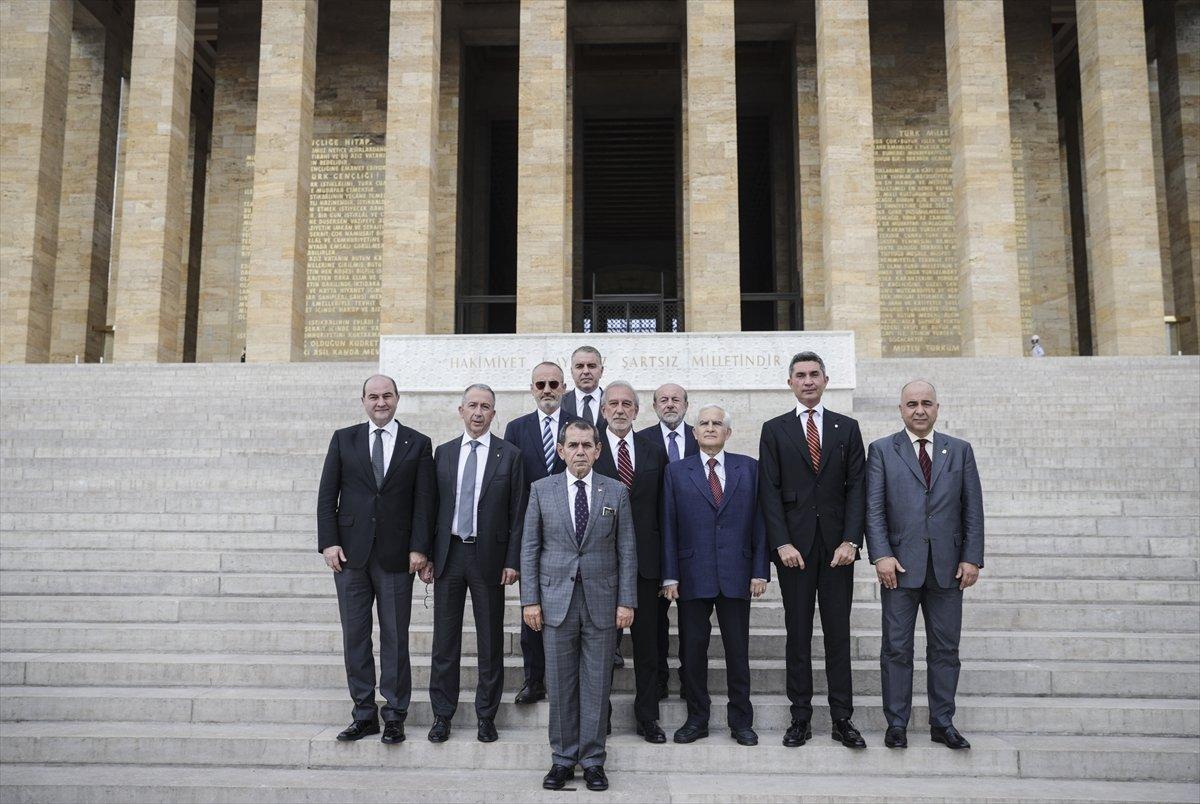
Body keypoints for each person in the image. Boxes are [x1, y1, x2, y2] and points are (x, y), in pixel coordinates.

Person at [865, 380, 984, 751]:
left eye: (926, 403)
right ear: (901, 409)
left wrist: (971, 557)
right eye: (912, 403)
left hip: (948, 568)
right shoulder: (883, 450)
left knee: (946, 649)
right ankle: (896, 724)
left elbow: (972, 509)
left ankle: (942, 722)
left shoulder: (959, 450)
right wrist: (881, 554)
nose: (919, 410)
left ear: (937, 407)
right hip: (899, 567)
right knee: (896, 648)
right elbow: (874, 509)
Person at [317, 374, 435, 745]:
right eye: (373, 396)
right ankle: (364, 713)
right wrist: (328, 543)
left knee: (396, 637)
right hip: (350, 555)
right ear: (363, 400)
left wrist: (420, 547)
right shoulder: (343, 439)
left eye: (387, 395)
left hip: (397, 555)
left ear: (397, 398)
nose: (380, 402)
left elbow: (425, 502)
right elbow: (327, 495)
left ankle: (395, 715)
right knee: (356, 636)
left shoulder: (418, 443)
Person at [758, 351, 867, 749]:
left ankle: (843, 719)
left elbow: (858, 487)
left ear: (825, 380)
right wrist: (781, 542)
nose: (807, 381)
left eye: (814, 375)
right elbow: (767, 490)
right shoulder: (774, 429)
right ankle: (799, 717)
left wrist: (852, 541)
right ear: (790, 382)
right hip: (795, 552)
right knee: (797, 634)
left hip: (838, 550)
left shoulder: (847, 427)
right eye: (800, 375)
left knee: (838, 635)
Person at [521, 420, 637, 792]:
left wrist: (626, 602)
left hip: (603, 604)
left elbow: (627, 551)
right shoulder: (542, 490)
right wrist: (530, 600)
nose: (581, 452)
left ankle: (592, 761)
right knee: (559, 684)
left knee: (596, 684)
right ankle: (561, 758)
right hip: (556, 602)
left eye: (587, 445)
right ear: (561, 450)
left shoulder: (616, 492)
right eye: (573, 445)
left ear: (598, 450)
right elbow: (529, 548)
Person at [661, 405, 769, 747]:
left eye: (717, 424)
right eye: (703, 424)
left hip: (738, 574)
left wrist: (759, 571)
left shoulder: (749, 469)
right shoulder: (675, 472)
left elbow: (760, 523)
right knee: (693, 651)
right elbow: (668, 525)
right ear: (693, 433)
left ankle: (741, 721)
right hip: (692, 575)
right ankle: (697, 718)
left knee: (738, 650)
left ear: (728, 433)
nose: (710, 428)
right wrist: (669, 576)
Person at [424, 384, 525, 744]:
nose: (478, 412)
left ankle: (486, 715)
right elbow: (430, 507)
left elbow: (518, 514)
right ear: (461, 410)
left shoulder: (509, 455)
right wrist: (426, 554)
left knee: (490, 640)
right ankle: (442, 716)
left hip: (489, 559)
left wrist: (513, 560)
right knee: (444, 642)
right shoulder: (444, 453)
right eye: (472, 406)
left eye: (485, 407)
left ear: (493, 414)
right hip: (450, 555)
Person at [594, 381, 668, 743]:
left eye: (627, 404)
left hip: (647, 567)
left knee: (649, 647)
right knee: (602, 648)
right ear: (603, 410)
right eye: (613, 404)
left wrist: (669, 571)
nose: (620, 410)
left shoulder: (654, 451)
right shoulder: (588, 451)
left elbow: (665, 514)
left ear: (637, 411)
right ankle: (600, 718)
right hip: (601, 569)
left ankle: (648, 717)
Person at [503, 361, 576, 705]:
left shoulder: (579, 426)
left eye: (553, 384)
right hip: (531, 533)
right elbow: (509, 485)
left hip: (571, 533)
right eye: (540, 384)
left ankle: (568, 681)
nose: (547, 390)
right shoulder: (517, 429)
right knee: (531, 614)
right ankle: (534, 681)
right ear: (532, 389)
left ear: (564, 388)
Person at [638, 382, 697, 699]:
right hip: (657, 544)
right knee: (656, 619)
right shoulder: (641, 441)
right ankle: (659, 677)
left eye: (676, 399)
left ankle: (690, 677)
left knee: (691, 616)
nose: (670, 404)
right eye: (664, 399)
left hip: (693, 543)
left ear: (686, 405)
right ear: (654, 405)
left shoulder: (699, 436)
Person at [560, 345, 607, 431]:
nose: (586, 371)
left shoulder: (613, 403)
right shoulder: (559, 404)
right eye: (579, 366)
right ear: (571, 372)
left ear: (601, 371)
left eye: (591, 366)